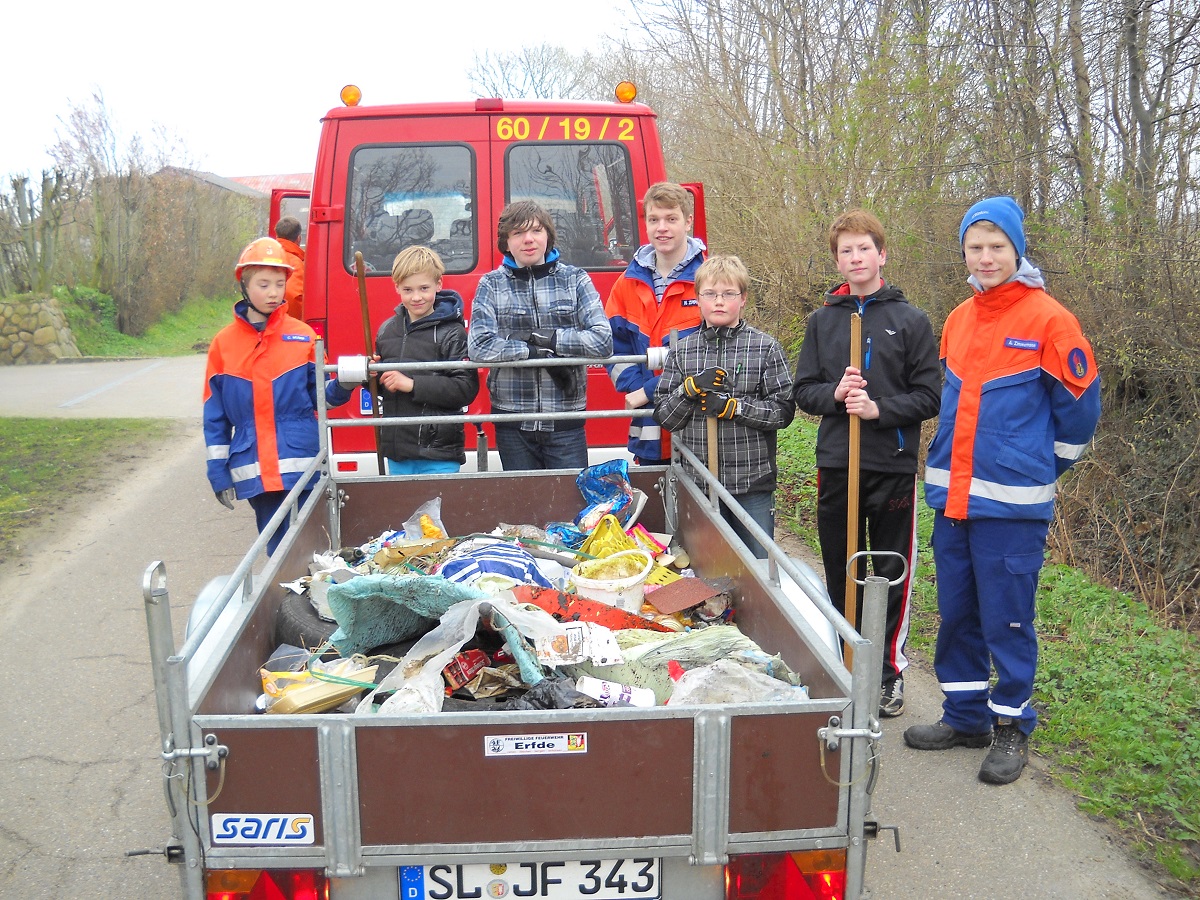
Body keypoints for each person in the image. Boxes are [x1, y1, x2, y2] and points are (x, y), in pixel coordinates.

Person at [903, 196, 1101, 785]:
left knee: (1007, 620)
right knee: (957, 613)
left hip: (1011, 508)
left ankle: (1012, 724)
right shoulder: (959, 317)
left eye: (996, 247)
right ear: (963, 251)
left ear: (1017, 250)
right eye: (975, 247)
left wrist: (1037, 467)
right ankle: (965, 716)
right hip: (952, 500)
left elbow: (1080, 416)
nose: (985, 258)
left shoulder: (1050, 320)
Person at [792, 209, 941, 718]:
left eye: (864, 249)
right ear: (837, 260)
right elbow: (803, 391)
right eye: (845, 251)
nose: (855, 258)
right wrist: (835, 396)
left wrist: (879, 410)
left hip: (891, 465)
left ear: (882, 254)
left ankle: (887, 673)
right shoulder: (823, 320)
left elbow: (929, 397)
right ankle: (846, 664)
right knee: (842, 568)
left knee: (889, 570)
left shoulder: (911, 320)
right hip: (838, 464)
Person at [203, 237, 354, 554]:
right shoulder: (223, 344)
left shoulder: (304, 336)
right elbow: (214, 416)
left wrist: (345, 383)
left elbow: (320, 401)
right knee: (277, 555)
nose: (273, 292)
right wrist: (218, 473)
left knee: (315, 550)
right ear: (244, 285)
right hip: (256, 470)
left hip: (303, 466)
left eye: (280, 283)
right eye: (264, 284)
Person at [653, 255, 795, 558]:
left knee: (758, 570)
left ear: (742, 299)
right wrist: (689, 389)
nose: (719, 301)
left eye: (729, 294)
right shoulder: (681, 352)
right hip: (699, 483)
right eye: (710, 294)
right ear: (698, 298)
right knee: (704, 568)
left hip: (751, 483)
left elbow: (783, 411)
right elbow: (666, 417)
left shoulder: (765, 347)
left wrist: (734, 407)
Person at [467, 200, 613, 470]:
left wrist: (551, 339)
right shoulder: (491, 284)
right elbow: (479, 346)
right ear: (506, 242)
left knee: (570, 508)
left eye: (536, 230)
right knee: (523, 508)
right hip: (512, 424)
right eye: (518, 233)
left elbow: (603, 341)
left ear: (548, 235)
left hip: (566, 421)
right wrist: (532, 350)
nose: (528, 239)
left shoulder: (576, 279)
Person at [604, 182, 706, 465]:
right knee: (654, 505)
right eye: (654, 219)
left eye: (671, 219)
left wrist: (648, 391)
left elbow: (714, 357)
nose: (662, 227)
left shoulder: (710, 281)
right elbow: (613, 349)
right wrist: (636, 387)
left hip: (697, 431)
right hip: (649, 430)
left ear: (687, 222)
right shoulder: (626, 284)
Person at [375, 245, 479, 475]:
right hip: (398, 452)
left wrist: (412, 384)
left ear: (439, 285)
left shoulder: (452, 332)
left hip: (439, 452)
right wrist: (371, 378)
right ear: (397, 288)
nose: (416, 297)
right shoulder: (386, 331)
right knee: (404, 510)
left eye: (424, 288)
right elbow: (384, 389)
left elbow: (465, 388)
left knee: (437, 511)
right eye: (408, 289)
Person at [274, 216, 305, 320]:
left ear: (277, 235)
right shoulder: (295, 262)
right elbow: (292, 296)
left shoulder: (266, 256)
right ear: (299, 238)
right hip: (284, 323)